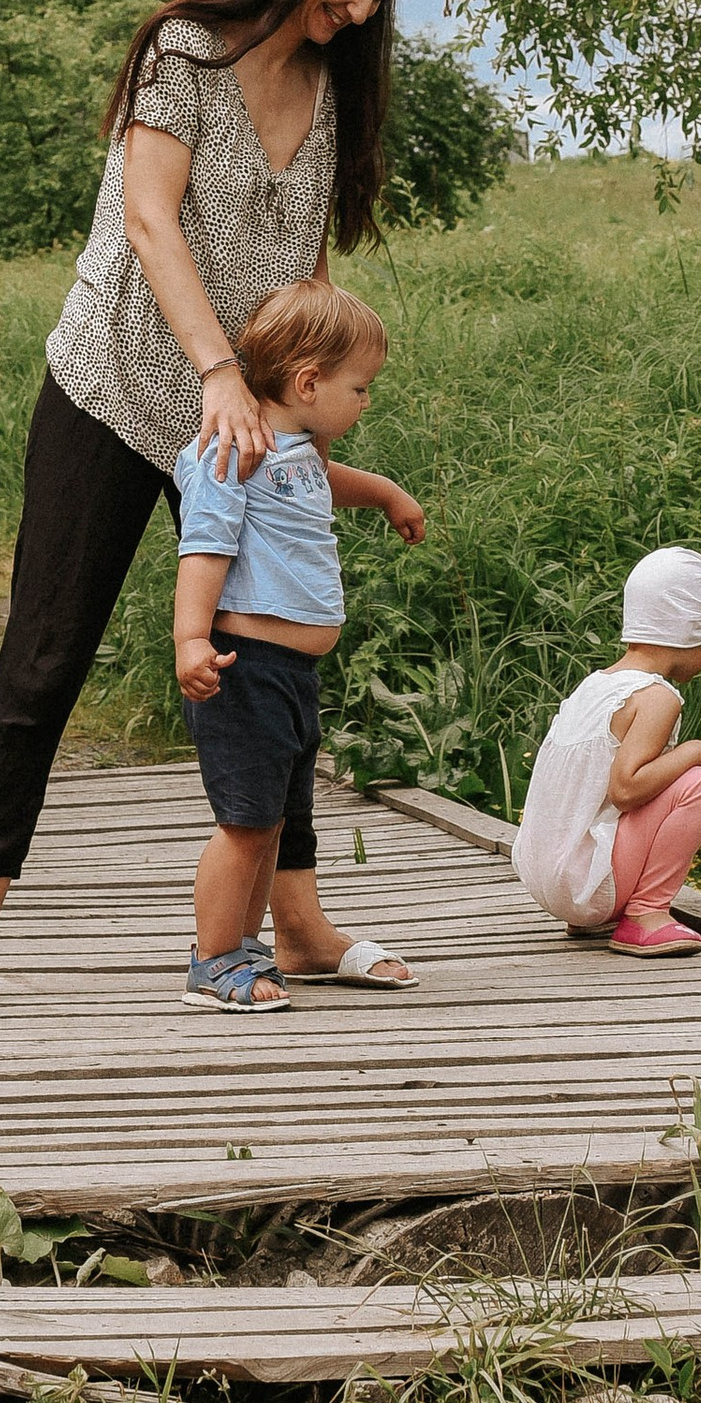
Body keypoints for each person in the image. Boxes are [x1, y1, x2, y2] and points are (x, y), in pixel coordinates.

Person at [0, 0, 430, 1013]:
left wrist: (299, 396)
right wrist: (218, 373)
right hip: (120, 385)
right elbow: (148, 217)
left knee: (274, 658)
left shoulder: (330, 89)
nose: (361, 12)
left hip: (249, 415)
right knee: (43, 661)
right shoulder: (185, 51)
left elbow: (306, 272)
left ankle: (296, 927)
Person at [172, 280, 424, 1011]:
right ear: (309, 382)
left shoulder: (297, 451)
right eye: (361, 387)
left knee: (275, 819)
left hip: (290, 672)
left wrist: (381, 491)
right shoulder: (233, 451)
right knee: (245, 823)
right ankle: (215, 956)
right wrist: (191, 637)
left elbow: (319, 482)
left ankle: (267, 947)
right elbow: (204, 548)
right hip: (241, 667)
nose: (365, 400)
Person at [512, 547, 701, 956]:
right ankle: (645, 914)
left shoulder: (597, 684)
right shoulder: (655, 696)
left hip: (546, 876)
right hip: (585, 886)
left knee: (669, 781)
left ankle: (596, 913)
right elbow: (626, 789)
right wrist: (695, 751)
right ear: (693, 633)